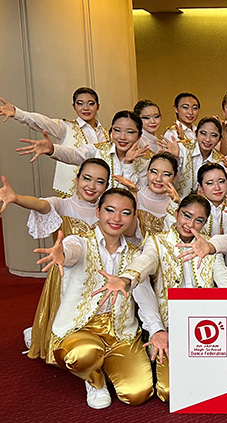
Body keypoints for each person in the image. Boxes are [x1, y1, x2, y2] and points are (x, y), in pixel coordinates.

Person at [33, 188, 159, 408]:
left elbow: (145, 297)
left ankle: (107, 363)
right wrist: (62, 253)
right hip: (82, 328)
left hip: (120, 331)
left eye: (125, 213)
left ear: (133, 217)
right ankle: (94, 379)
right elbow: (71, 250)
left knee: (138, 394)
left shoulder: (135, 254)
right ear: (98, 211)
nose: (116, 218)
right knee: (82, 355)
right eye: (110, 210)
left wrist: (157, 330)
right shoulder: (81, 242)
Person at [1, 158, 110, 359]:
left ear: (107, 186)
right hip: (65, 274)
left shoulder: (106, 211)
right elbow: (42, 205)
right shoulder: (63, 204)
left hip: (97, 275)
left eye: (100, 181)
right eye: (87, 178)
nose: (92, 186)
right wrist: (16, 198)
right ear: (76, 179)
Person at [116, 194, 216, 402]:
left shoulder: (210, 245)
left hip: (205, 326)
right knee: (171, 391)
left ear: (205, 223)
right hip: (169, 327)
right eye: (186, 216)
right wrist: (127, 278)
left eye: (199, 220)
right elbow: (146, 261)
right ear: (176, 214)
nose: (190, 224)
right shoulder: (157, 242)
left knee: (215, 381)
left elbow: (223, 279)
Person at [0, 87, 108, 196]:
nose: (85, 108)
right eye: (80, 104)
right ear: (74, 106)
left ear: (98, 106)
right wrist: (18, 113)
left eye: (91, 103)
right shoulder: (66, 127)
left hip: (100, 194)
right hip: (70, 194)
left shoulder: (108, 134)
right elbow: (44, 122)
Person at [16, 110, 150, 195]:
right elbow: (74, 155)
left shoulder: (146, 161)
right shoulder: (98, 150)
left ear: (139, 136)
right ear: (111, 131)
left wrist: (128, 164)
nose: (122, 137)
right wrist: (53, 150)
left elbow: (140, 194)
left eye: (130, 132)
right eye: (117, 130)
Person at [161, 116, 225, 197]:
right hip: (173, 199)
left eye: (213, 135)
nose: (207, 139)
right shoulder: (182, 148)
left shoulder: (219, 161)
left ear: (219, 139)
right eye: (203, 133)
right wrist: (174, 158)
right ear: (196, 134)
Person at [196, 163, 227, 237]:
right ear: (200, 187)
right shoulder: (195, 209)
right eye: (210, 183)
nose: (217, 188)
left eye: (221, 181)